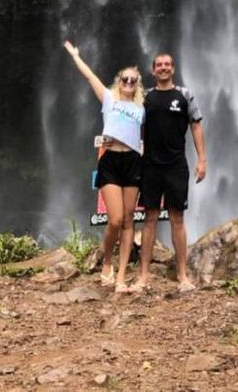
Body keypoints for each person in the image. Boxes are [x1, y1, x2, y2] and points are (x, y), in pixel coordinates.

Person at [63, 40, 144, 293]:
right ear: (118, 81)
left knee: (129, 219)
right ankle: (107, 261)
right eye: (124, 79)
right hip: (110, 160)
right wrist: (76, 55)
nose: (128, 84)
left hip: (132, 161)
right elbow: (89, 77)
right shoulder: (109, 99)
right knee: (116, 219)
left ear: (137, 85)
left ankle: (121, 277)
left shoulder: (143, 107)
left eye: (133, 81)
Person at [137, 52, 207, 293]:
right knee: (150, 218)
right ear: (153, 70)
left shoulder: (185, 95)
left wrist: (202, 160)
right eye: (159, 65)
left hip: (176, 165)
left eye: (167, 65)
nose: (163, 68)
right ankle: (143, 275)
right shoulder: (145, 97)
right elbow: (131, 123)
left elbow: (196, 126)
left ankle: (183, 275)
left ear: (173, 69)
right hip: (150, 165)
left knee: (178, 218)